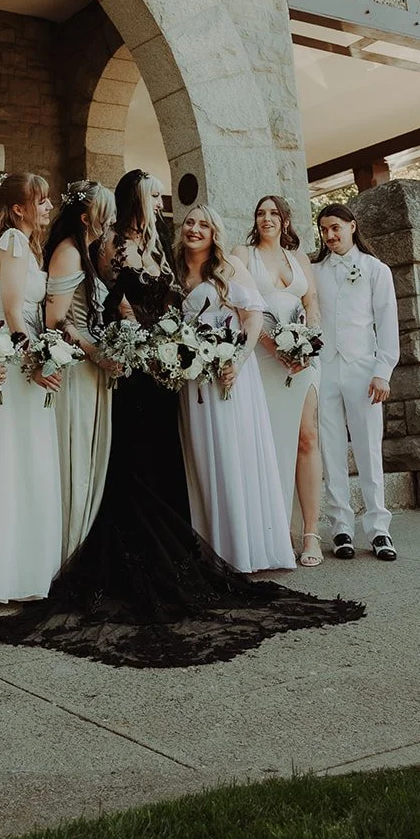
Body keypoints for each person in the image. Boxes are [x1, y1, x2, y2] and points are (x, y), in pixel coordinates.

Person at [0, 171, 365, 668]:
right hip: (130, 370)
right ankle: (133, 555)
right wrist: (117, 338)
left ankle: (175, 551)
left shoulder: (158, 245)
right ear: (137, 197)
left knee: (166, 460)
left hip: (163, 372)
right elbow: (93, 306)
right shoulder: (109, 245)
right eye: (154, 194)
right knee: (135, 462)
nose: (161, 201)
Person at [176, 205, 294, 574]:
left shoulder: (228, 266)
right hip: (192, 380)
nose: (194, 229)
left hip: (231, 376)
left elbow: (253, 315)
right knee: (201, 456)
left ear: (215, 233)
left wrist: (238, 361)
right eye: (189, 222)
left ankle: (243, 550)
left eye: (204, 225)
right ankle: (211, 548)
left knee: (233, 452)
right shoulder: (173, 270)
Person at [0, 172, 62, 601]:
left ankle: (24, 567)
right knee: (16, 454)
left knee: (23, 454)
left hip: (24, 351)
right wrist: (34, 361)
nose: (48, 206)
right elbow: (14, 310)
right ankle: (11, 572)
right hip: (17, 359)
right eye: (42, 200)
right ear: (19, 208)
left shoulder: (24, 244)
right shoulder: (13, 242)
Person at [235, 196, 324, 566]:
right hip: (262, 357)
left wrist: (309, 341)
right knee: (269, 444)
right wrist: (275, 347)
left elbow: (312, 301)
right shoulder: (242, 254)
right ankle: (277, 530)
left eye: (273, 213)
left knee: (307, 437)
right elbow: (239, 305)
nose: (266, 218)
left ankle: (311, 533)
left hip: (303, 360)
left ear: (285, 220)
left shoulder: (299, 259)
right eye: (260, 213)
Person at [311, 202, 400, 561]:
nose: (330, 235)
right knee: (330, 449)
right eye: (324, 230)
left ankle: (379, 529)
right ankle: (341, 528)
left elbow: (387, 321)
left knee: (367, 448)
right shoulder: (315, 271)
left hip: (364, 369)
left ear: (352, 226)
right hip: (324, 368)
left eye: (335, 228)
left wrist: (383, 371)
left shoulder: (375, 270)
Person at [43, 179, 118, 561]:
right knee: (74, 462)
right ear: (88, 216)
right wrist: (97, 353)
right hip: (75, 371)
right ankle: (65, 556)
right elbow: (56, 320)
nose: (111, 220)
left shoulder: (86, 254)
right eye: (106, 213)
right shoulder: (69, 253)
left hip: (91, 368)